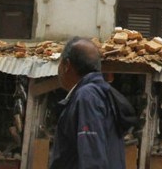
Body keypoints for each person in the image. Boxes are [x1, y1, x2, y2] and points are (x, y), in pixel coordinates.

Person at [50, 37, 125, 169]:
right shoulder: (102, 93)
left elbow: (92, 158)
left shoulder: (87, 97)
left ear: (67, 65)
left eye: (60, 63)